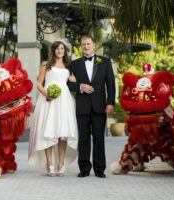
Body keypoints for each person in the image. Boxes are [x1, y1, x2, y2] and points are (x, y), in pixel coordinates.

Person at [67, 35, 115, 178]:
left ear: (94, 45)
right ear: (81, 47)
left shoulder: (105, 62)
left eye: (88, 44)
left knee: (99, 139)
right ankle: (84, 169)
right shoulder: (74, 64)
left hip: (100, 106)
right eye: (83, 44)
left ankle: (100, 169)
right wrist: (80, 86)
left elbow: (111, 85)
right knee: (83, 139)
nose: (86, 46)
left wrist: (110, 103)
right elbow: (68, 84)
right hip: (82, 107)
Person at [28, 41, 78, 177]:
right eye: (57, 49)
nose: (60, 51)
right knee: (49, 130)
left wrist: (74, 81)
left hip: (65, 100)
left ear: (64, 51)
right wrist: (46, 94)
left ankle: (61, 164)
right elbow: (39, 83)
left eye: (62, 48)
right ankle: (49, 164)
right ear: (53, 51)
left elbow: (72, 82)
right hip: (49, 100)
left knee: (63, 132)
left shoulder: (68, 66)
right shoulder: (45, 64)